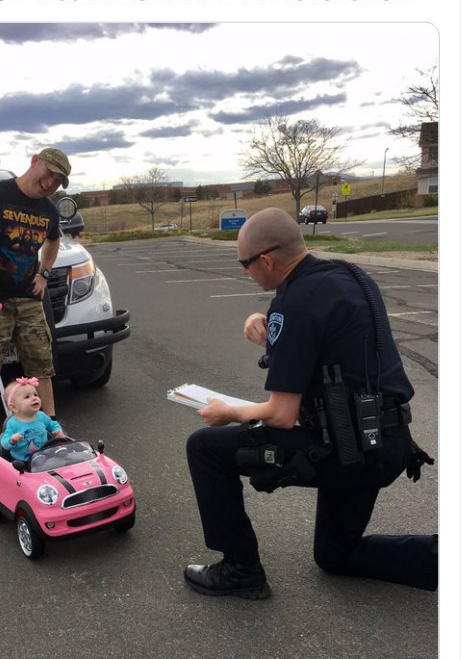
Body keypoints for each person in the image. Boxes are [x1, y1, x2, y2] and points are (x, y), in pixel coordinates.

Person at [185, 208, 437, 601]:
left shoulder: (296, 303)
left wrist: (227, 412)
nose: (243, 272)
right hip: (385, 443)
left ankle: (241, 570)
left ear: (266, 260)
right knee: (336, 555)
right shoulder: (350, 276)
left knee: (205, 448)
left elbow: (282, 415)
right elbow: (330, 349)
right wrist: (266, 323)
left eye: (244, 264)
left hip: (348, 449)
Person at [0, 148, 71, 442]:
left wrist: (43, 273)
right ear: (35, 162)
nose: (51, 183)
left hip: (27, 299)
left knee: (42, 363)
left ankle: (52, 426)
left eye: (58, 181)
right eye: (49, 173)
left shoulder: (48, 210)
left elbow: (53, 240)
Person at [0, 377, 65, 462]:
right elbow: (4, 443)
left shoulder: (41, 416)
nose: (34, 398)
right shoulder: (13, 424)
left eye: (35, 395)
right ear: (14, 407)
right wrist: (12, 440)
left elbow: (53, 424)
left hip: (44, 453)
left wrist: (57, 430)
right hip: (22, 461)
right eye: (27, 397)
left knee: (60, 457)